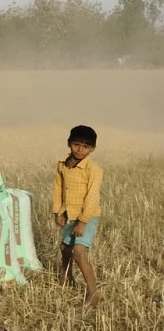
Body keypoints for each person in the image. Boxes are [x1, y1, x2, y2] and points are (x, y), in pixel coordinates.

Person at [53, 124, 102, 307]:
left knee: (79, 253)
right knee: (65, 248)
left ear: (92, 149)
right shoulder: (62, 165)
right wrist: (58, 212)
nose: (80, 149)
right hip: (69, 214)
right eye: (76, 145)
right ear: (69, 143)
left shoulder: (93, 170)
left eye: (85, 146)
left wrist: (82, 222)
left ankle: (93, 295)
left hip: (87, 217)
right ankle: (67, 278)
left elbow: (92, 197)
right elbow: (57, 188)